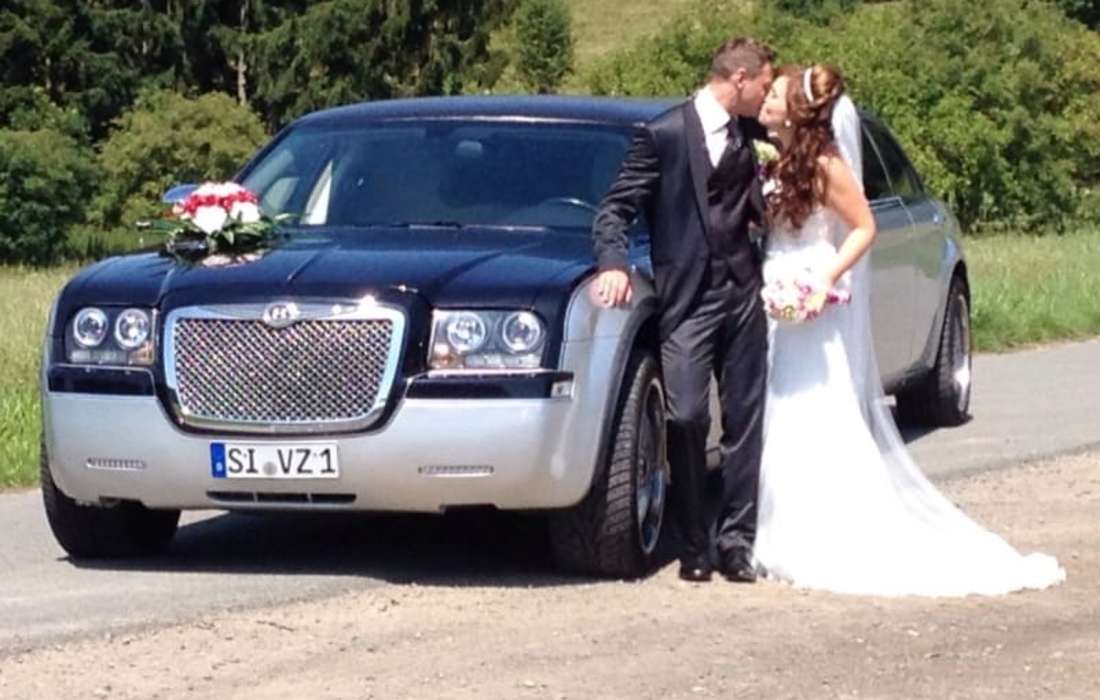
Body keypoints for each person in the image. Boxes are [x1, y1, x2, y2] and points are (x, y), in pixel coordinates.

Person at [751, 64, 1066, 596]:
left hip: (810, 297)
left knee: (811, 409)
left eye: (776, 94)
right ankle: (780, 529)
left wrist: (823, 278)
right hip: (776, 289)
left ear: (797, 112)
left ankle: (822, 532)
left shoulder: (827, 164)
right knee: (778, 410)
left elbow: (864, 226)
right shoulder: (777, 160)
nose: (766, 99)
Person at [591, 37, 775, 583]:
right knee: (687, 416)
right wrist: (612, 264)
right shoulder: (664, 134)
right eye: (764, 85)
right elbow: (614, 210)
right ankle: (694, 542)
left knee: (745, 420)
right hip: (688, 298)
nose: (766, 96)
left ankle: (736, 542)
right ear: (739, 79)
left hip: (744, 291)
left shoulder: (754, 134)